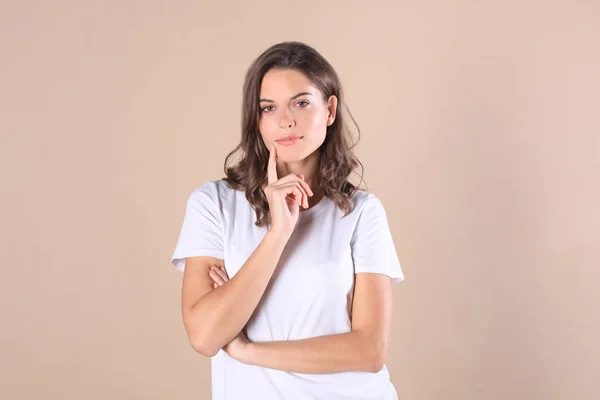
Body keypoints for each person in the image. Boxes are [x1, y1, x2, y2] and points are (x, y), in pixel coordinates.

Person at [170, 41, 405, 400]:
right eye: (269, 107)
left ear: (329, 110)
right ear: (256, 118)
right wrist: (278, 233)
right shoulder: (213, 204)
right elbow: (204, 336)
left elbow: (369, 351)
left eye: (301, 102)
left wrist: (249, 351)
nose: (286, 120)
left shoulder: (360, 212)